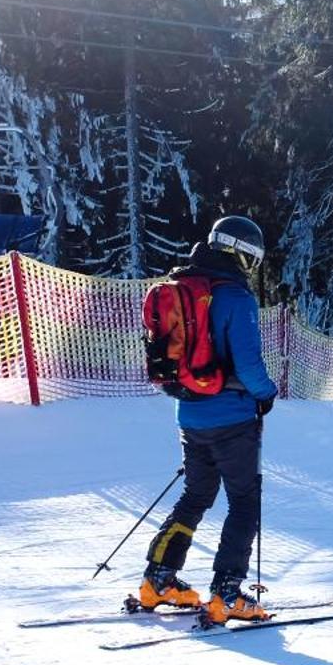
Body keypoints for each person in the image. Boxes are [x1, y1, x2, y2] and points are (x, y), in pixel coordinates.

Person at [138, 215, 280, 624]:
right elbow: (250, 365)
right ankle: (227, 593)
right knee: (244, 502)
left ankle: (158, 579)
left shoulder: (182, 286)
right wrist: (267, 394)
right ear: (243, 255)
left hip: (190, 414)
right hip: (233, 416)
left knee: (196, 496)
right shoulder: (235, 297)